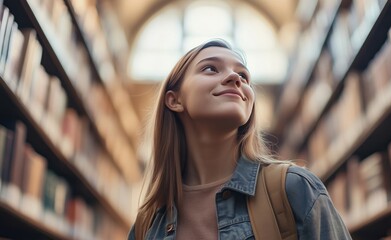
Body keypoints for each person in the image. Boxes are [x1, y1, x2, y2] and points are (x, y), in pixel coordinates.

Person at [128, 39, 352, 240]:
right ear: (174, 100)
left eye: (243, 76)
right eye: (210, 68)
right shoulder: (147, 225)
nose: (235, 78)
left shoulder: (295, 189)